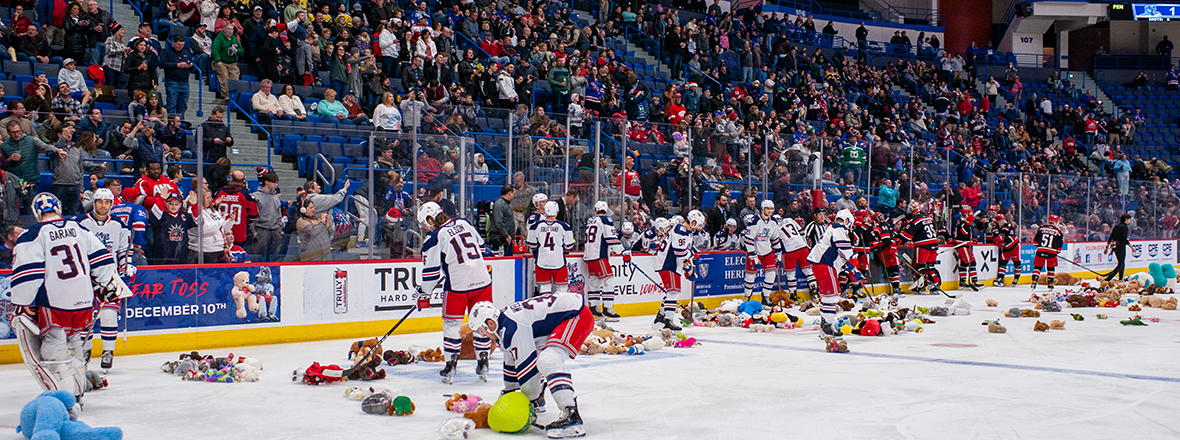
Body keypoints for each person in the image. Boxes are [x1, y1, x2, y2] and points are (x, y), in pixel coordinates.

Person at [11, 192, 126, 399]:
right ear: (59, 208)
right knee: (76, 343)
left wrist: (23, 301)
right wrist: (104, 282)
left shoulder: (32, 233)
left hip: (55, 301)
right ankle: (79, 388)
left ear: (37, 212)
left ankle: (68, 396)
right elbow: (103, 260)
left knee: (53, 349)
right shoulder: (78, 228)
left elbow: (29, 272)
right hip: (84, 301)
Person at [468, 292, 590, 438]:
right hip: (566, 315)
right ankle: (540, 400)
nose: (483, 336)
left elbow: (528, 369)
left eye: (481, 331)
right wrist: (509, 394)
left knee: (548, 360)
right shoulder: (505, 324)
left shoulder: (512, 327)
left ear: (490, 324)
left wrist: (527, 403)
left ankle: (571, 417)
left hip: (576, 315)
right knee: (540, 358)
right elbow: (511, 361)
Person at [415, 201, 494, 384]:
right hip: (482, 281)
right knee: (481, 322)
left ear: (430, 218)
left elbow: (431, 275)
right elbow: (482, 249)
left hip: (458, 286)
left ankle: (450, 366)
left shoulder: (434, 238)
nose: (425, 228)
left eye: (424, 223)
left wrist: (422, 293)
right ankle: (483, 362)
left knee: (452, 325)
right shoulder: (463, 222)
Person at [76, 188, 131, 371]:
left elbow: (124, 249)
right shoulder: (81, 222)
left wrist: (126, 266)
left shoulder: (118, 224)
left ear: (111, 204)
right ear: (94, 202)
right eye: (100, 201)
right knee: (85, 317)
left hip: (109, 276)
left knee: (109, 315)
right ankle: (84, 350)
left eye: (107, 202)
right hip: (86, 277)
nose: (103, 205)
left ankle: (108, 351)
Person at [806, 209, 862, 353]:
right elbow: (846, 250)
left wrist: (852, 271)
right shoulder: (838, 228)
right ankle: (828, 327)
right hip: (825, 265)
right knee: (832, 296)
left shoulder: (833, 230)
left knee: (828, 297)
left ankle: (825, 327)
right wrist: (853, 263)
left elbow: (842, 257)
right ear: (847, 221)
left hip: (823, 265)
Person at [4, 120, 67, 211]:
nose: (16, 134)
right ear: (8, 133)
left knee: (31, 209)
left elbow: (46, 147)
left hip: (31, 181)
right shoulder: (5, 145)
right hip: (13, 183)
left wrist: (58, 150)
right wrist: (9, 160)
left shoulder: (32, 140)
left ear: (21, 130)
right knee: (13, 209)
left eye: (18, 131)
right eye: (13, 132)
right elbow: (2, 164)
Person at [583, 201, 625, 319]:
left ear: (595, 210)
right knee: (609, 281)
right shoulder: (605, 220)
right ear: (606, 210)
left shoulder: (590, 220)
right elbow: (611, 238)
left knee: (595, 282)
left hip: (589, 255)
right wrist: (621, 251)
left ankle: (594, 308)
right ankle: (608, 308)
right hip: (599, 256)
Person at [50, 123, 103, 216]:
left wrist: (81, 190)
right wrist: (63, 137)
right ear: (60, 135)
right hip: (60, 185)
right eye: (66, 132)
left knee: (74, 214)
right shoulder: (55, 149)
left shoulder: (76, 150)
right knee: (58, 213)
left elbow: (81, 170)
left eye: (70, 133)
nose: (69, 135)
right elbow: (57, 146)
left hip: (75, 186)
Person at [653, 213, 693, 331]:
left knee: (671, 292)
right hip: (669, 264)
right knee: (673, 292)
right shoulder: (681, 230)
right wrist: (688, 267)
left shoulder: (681, 230)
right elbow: (680, 252)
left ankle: (660, 317)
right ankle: (668, 320)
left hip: (668, 264)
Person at [528, 201, 577, 297]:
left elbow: (532, 244)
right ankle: (560, 311)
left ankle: (546, 310)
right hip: (559, 261)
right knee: (562, 291)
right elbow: (569, 246)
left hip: (542, 261)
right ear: (557, 212)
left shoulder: (536, 225)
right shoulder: (564, 226)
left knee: (544, 290)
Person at [900, 201, 945, 296]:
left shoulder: (915, 221)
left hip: (923, 245)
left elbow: (905, 236)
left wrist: (897, 241)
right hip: (934, 244)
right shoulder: (929, 217)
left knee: (919, 266)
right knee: (930, 266)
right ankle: (935, 285)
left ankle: (920, 286)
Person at [743, 200, 783, 305]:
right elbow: (748, 239)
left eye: (771, 209)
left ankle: (765, 297)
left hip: (767, 252)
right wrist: (752, 253)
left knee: (771, 274)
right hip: (754, 252)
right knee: (750, 276)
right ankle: (747, 296)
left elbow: (774, 238)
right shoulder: (755, 221)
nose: (769, 211)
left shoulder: (774, 221)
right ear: (762, 209)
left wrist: (778, 250)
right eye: (767, 209)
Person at [214, 170, 258, 249]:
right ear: (243, 181)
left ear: (231, 179)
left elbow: (212, 209)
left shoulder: (220, 192)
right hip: (240, 233)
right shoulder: (245, 194)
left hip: (222, 232)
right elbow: (254, 214)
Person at [148, 192, 195, 264]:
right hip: (162, 256)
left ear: (180, 205)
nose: (173, 206)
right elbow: (153, 215)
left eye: (176, 204)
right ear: (166, 203)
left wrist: (195, 205)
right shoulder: (161, 215)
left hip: (181, 255)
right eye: (171, 204)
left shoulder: (184, 215)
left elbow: (198, 222)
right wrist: (161, 199)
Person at [187, 189, 230, 263]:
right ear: (200, 199)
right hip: (205, 250)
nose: (210, 200)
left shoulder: (212, 211)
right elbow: (204, 228)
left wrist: (230, 221)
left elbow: (221, 228)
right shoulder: (193, 211)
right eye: (207, 198)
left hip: (219, 248)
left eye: (210, 197)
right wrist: (222, 220)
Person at [777, 215, 814, 299]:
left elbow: (775, 241)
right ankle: (815, 292)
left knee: (790, 274)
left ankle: (793, 296)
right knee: (808, 271)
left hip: (789, 250)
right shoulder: (789, 219)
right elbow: (801, 232)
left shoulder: (774, 226)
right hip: (803, 247)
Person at [950, 206, 984, 291]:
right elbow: (963, 232)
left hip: (966, 244)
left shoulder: (966, 221)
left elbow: (972, 232)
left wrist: (974, 239)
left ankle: (962, 282)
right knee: (971, 262)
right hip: (963, 244)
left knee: (964, 263)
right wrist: (968, 222)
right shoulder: (961, 221)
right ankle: (974, 281)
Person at [252, 170, 282, 262]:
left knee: (274, 257)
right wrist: (253, 231)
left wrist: (279, 228)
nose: (276, 185)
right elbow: (252, 216)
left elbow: (279, 215)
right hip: (261, 230)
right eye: (274, 182)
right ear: (266, 182)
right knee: (259, 257)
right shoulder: (255, 196)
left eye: (276, 182)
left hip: (275, 230)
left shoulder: (275, 198)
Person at [161, 35, 194, 116]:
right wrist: (177, 65)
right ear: (173, 42)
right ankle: (170, 124)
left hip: (185, 82)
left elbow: (191, 68)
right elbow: (162, 63)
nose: (180, 47)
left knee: (183, 106)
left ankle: (181, 124)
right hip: (172, 81)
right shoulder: (166, 51)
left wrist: (190, 66)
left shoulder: (186, 52)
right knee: (172, 105)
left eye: (182, 45)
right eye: (178, 45)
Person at [1031, 215, 1065, 291]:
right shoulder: (1058, 232)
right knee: (1050, 268)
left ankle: (1034, 281)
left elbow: (1035, 242)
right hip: (1052, 252)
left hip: (1041, 250)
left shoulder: (1041, 228)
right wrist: (1056, 252)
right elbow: (1059, 248)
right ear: (1056, 222)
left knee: (1037, 267)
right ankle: (1050, 284)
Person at [293, 196, 332, 261]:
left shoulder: (316, 219)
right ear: (303, 209)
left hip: (324, 254)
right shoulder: (301, 221)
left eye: (313, 207)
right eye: (311, 208)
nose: (313, 209)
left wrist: (327, 224)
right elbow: (312, 232)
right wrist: (322, 222)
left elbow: (328, 233)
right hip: (311, 256)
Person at [211, 24, 242, 99]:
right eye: (228, 29)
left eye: (232, 29)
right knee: (224, 75)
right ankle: (226, 95)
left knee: (235, 74)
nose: (230, 31)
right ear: (224, 29)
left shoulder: (234, 39)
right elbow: (215, 50)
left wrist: (237, 50)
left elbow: (241, 50)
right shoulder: (219, 38)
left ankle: (233, 95)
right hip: (221, 62)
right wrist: (218, 60)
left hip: (232, 62)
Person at [992, 214, 1021, 287]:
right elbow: (995, 237)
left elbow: (1009, 238)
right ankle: (1000, 278)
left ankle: (1016, 279)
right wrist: (1000, 241)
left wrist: (1001, 242)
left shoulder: (1008, 226)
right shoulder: (996, 227)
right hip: (1006, 248)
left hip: (1014, 246)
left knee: (1017, 262)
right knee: (1003, 262)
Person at [489, 184, 515, 256]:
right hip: (501, 239)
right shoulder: (500, 204)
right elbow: (499, 222)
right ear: (509, 193)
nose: (514, 195)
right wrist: (506, 236)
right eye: (513, 193)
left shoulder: (505, 204)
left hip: (505, 239)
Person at [1105, 214, 1131, 281]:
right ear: (1126, 219)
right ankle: (1109, 277)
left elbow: (1111, 236)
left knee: (1121, 262)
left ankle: (1120, 278)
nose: (1130, 221)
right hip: (1121, 246)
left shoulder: (1116, 226)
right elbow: (1124, 239)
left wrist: (1107, 246)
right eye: (1129, 219)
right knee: (1121, 264)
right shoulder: (1124, 227)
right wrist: (1131, 247)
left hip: (1115, 246)